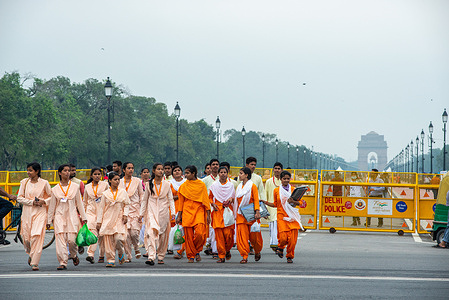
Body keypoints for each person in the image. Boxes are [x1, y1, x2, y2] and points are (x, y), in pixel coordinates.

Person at [47, 164, 87, 270]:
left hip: (72, 215)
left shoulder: (75, 187)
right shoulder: (55, 189)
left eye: (69, 170)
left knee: (72, 240)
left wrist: (84, 217)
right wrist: (49, 220)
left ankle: (73, 255)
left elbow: (79, 203)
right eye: (65, 170)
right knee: (60, 239)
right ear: (60, 173)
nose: (67, 172)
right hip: (59, 215)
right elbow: (52, 206)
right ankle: (62, 262)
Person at [262, 170, 304, 263]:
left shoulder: (294, 190)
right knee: (283, 238)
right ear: (280, 179)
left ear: (290, 179)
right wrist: (266, 203)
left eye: (288, 179)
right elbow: (276, 204)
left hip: (292, 217)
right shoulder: (276, 190)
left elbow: (300, 203)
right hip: (281, 217)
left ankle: (289, 256)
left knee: (292, 241)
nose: (286, 180)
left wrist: (293, 202)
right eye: (284, 178)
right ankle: (281, 247)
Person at [16, 162, 52, 270]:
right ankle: (31, 253)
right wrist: (32, 202)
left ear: (37, 171)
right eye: (27, 170)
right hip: (27, 212)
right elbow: (19, 198)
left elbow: (51, 197)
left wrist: (43, 201)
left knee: (36, 235)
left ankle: (34, 262)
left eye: (30, 170)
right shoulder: (24, 182)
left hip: (40, 212)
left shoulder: (44, 183)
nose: (28, 172)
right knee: (26, 238)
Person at [140, 163, 175, 265]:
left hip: (163, 212)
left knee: (163, 236)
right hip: (151, 212)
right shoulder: (148, 184)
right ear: (154, 171)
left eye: (162, 169)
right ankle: (151, 256)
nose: (161, 171)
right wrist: (141, 214)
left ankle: (160, 256)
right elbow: (144, 200)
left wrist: (173, 212)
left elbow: (171, 199)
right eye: (158, 169)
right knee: (150, 233)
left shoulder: (167, 184)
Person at [176, 165, 211, 263]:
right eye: (185, 173)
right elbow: (181, 202)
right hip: (187, 211)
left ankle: (196, 251)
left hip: (199, 210)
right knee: (188, 236)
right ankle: (191, 255)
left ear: (193, 173)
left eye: (187, 173)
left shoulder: (201, 184)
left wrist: (208, 214)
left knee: (200, 233)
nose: (185, 175)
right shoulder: (183, 186)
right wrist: (179, 215)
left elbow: (205, 200)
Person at [96, 172, 130, 267]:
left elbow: (127, 204)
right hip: (108, 219)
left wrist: (125, 215)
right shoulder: (105, 194)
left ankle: (120, 252)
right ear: (110, 180)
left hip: (119, 218)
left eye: (118, 179)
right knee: (108, 241)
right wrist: (99, 222)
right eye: (115, 179)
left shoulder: (123, 192)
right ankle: (110, 260)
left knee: (119, 238)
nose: (117, 181)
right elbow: (101, 208)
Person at [234, 167, 263, 264]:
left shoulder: (252, 186)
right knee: (241, 237)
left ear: (246, 175)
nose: (239, 175)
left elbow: (256, 199)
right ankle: (244, 256)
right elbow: (236, 202)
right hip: (241, 215)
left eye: (241, 173)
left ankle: (257, 251)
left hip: (252, 216)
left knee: (255, 238)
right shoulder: (238, 187)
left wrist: (257, 211)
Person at [209, 166, 236, 263]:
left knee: (228, 235)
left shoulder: (231, 185)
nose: (223, 174)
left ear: (227, 173)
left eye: (225, 172)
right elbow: (210, 197)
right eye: (221, 172)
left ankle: (227, 249)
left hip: (228, 211)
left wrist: (231, 199)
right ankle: (221, 255)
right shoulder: (214, 185)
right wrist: (212, 204)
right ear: (218, 174)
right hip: (217, 211)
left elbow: (234, 198)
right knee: (219, 235)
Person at [83, 167, 109, 264]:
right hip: (90, 212)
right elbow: (85, 201)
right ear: (91, 176)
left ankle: (102, 255)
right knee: (92, 232)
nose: (97, 176)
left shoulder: (105, 185)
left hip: (102, 212)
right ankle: (90, 254)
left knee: (102, 235)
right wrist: (84, 215)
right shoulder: (87, 187)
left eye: (99, 174)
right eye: (95, 174)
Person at [119, 162, 144, 262]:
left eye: (132, 168)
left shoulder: (137, 181)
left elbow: (141, 194)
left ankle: (136, 248)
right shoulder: (119, 182)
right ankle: (128, 255)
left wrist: (141, 206)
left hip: (135, 209)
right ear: (124, 170)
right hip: (123, 210)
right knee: (126, 235)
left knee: (134, 233)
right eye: (129, 168)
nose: (131, 170)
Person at [202, 159, 220, 257]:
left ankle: (215, 248)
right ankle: (214, 248)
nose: (215, 166)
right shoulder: (205, 180)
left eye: (217, 164)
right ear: (210, 166)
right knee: (211, 229)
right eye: (213, 164)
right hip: (209, 207)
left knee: (217, 229)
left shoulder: (222, 179)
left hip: (220, 208)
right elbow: (203, 195)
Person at [168, 165, 186, 258]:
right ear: (172, 173)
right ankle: (172, 247)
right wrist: (178, 197)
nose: (177, 172)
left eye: (179, 170)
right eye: (175, 170)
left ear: (182, 172)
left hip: (184, 208)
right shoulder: (169, 183)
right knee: (173, 229)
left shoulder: (186, 183)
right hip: (172, 208)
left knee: (183, 229)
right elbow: (167, 196)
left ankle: (180, 251)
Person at [264, 162, 283, 250]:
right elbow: (265, 195)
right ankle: (274, 244)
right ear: (273, 170)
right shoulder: (268, 182)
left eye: (279, 169)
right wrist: (264, 210)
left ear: (281, 170)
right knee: (272, 228)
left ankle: (278, 244)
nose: (277, 170)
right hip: (271, 208)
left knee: (280, 228)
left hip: (281, 209)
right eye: (275, 168)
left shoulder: (284, 181)